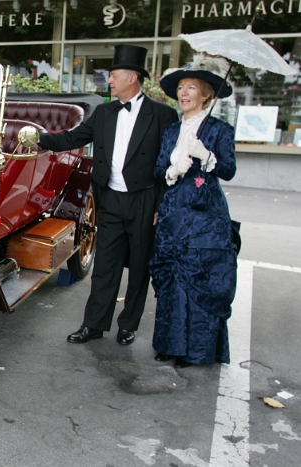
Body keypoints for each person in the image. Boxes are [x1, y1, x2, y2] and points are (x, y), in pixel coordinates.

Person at [38, 45, 179, 346]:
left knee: (140, 266)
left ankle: (128, 324)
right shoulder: (103, 112)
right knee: (105, 266)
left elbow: (170, 161)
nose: (109, 82)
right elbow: (73, 137)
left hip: (144, 199)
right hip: (111, 198)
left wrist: (162, 204)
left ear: (132, 78)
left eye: (114, 76)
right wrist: (38, 139)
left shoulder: (162, 114)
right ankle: (94, 324)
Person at [149, 55, 238, 369]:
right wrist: (173, 170)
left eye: (192, 88)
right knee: (172, 281)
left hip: (205, 219)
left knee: (198, 282)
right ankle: (169, 344)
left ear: (207, 94)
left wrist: (205, 155)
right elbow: (159, 170)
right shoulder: (173, 131)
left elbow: (228, 170)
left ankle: (195, 350)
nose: (184, 93)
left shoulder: (219, 130)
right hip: (173, 215)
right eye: (181, 88)